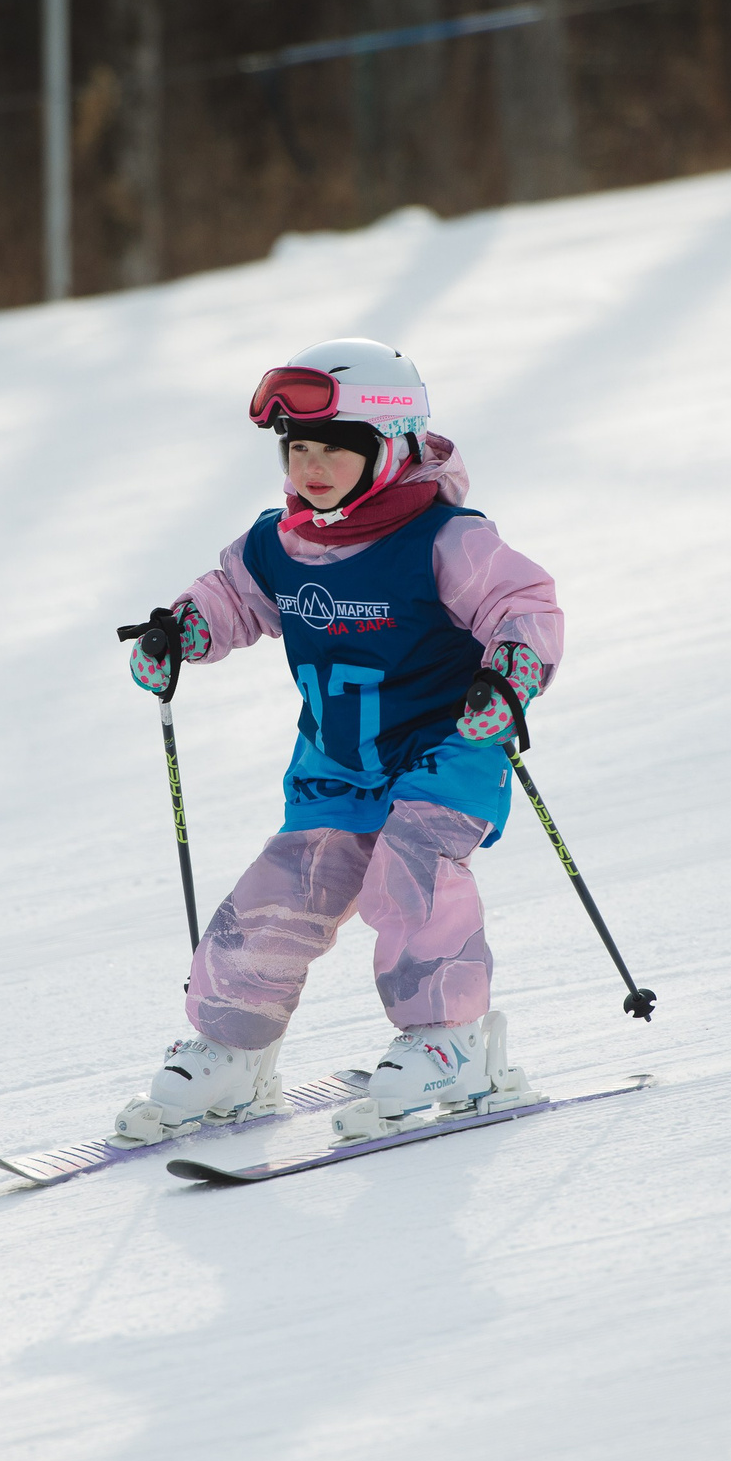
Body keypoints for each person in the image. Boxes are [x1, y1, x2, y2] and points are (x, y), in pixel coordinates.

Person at [122, 337, 564, 1130]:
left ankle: (449, 1041)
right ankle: (233, 1053)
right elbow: (233, 596)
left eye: (334, 448)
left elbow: (522, 605)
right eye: (297, 450)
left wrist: (511, 674)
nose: (311, 468)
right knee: (278, 897)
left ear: (390, 447)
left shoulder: (444, 539)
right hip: (337, 762)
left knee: (413, 870)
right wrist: (179, 632)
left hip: (446, 750)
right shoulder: (280, 544)